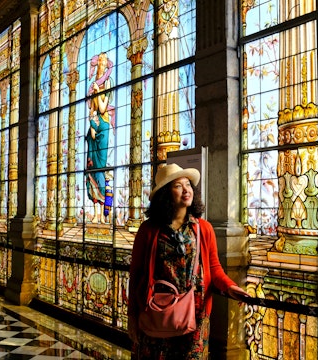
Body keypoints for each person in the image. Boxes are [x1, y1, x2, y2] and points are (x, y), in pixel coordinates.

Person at [128, 163, 250, 359]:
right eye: (178, 186)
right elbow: (136, 275)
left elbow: (214, 268)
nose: (186, 190)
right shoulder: (149, 230)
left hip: (196, 315)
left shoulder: (203, 228)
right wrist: (132, 316)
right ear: (166, 194)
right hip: (156, 312)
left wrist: (230, 287)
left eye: (188, 185)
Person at [86, 52, 115, 224]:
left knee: (103, 170)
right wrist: (91, 125)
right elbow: (92, 111)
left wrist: (97, 92)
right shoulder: (93, 84)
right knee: (92, 171)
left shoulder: (108, 83)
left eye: (104, 62)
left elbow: (103, 109)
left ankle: (106, 212)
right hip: (94, 130)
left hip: (104, 129)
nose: (101, 65)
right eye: (100, 63)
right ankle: (96, 213)